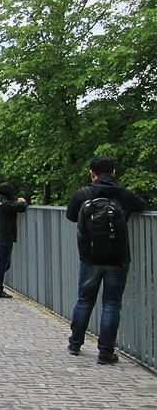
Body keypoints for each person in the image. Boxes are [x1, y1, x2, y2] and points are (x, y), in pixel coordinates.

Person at [65, 155, 146, 364]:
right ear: (114, 173)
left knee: (84, 300)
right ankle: (105, 352)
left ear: (91, 173)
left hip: (90, 257)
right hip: (117, 258)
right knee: (111, 304)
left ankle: (75, 343)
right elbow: (142, 205)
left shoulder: (83, 194)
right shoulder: (124, 195)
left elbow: (71, 216)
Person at [0, 183, 28, 299]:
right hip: (6, 237)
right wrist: (22, 202)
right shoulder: (4, 203)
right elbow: (20, 208)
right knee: (4, 264)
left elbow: (13, 206)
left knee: (5, 264)